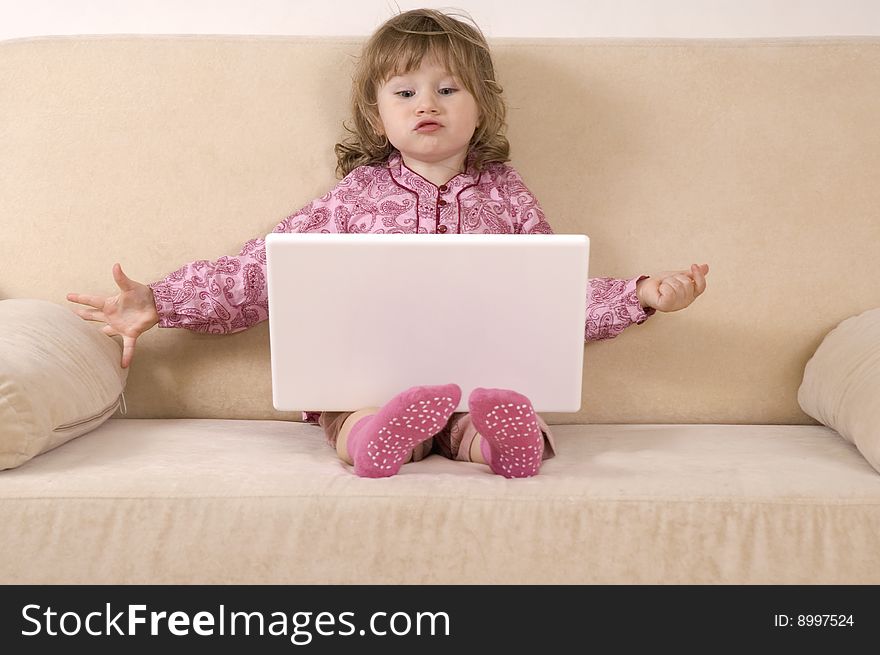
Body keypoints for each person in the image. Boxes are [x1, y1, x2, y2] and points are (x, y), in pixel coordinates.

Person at [68, 8, 709, 480]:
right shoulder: (354, 197)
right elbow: (262, 272)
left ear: (482, 108)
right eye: (405, 92)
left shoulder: (507, 195)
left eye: (448, 89)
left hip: (477, 380)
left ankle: (502, 447)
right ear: (379, 117)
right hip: (367, 380)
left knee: (506, 412)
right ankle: (377, 441)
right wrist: (162, 301)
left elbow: (556, 295)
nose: (426, 103)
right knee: (352, 415)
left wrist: (640, 293)